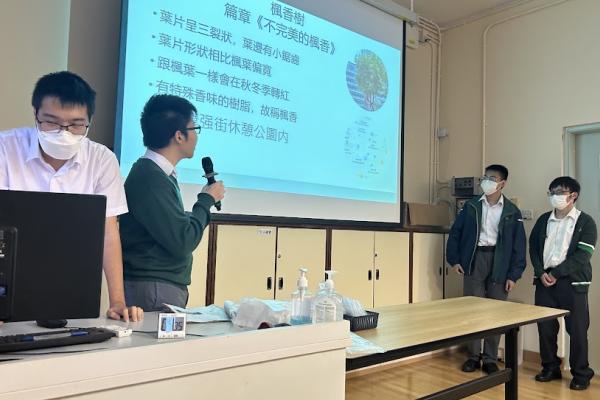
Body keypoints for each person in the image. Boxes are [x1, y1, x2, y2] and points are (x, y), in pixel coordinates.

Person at [0, 71, 143, 322]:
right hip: (9, 278)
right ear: (35, 114)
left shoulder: (102, 160)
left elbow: (108, 233)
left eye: (76, 124)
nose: (63, 133)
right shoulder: (5, 148)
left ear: (90, 121)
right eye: (51, 122)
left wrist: (117, 301)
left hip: (72, 283)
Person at [119, 94, 225, 311]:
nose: (196, 136)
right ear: (179, 136)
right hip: (154, 288)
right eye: (194, 129)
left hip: (158, 286)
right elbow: (182, 241)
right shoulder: (151, 177)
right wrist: (206, 200)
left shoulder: (158, 174)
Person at [446, 164, 526, 374]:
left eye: (492, 178)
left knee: (495, 312)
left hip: (500, 262)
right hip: (475, 259)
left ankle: (490, 358)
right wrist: (454, 260)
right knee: (472, 309)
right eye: (485, 177)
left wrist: (514, 275)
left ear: (502, 184)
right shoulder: (471, 206)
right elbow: (455, 234)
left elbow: (519, 245)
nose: (486, 181)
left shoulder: (512, 211)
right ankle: (473, 356)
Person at [530, 176, 596, 391]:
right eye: (552, 192)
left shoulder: (586, 222)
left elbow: (583, 254)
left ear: (573, 195)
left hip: (573, 283)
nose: (554, 196)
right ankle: (550, 367)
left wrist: (557, 273)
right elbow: (533, 248)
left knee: (577, 331)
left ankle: (581, 374)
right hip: (544, 282)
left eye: (559, 192)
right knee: (546, 328)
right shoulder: (543, 220)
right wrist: (540, 272)